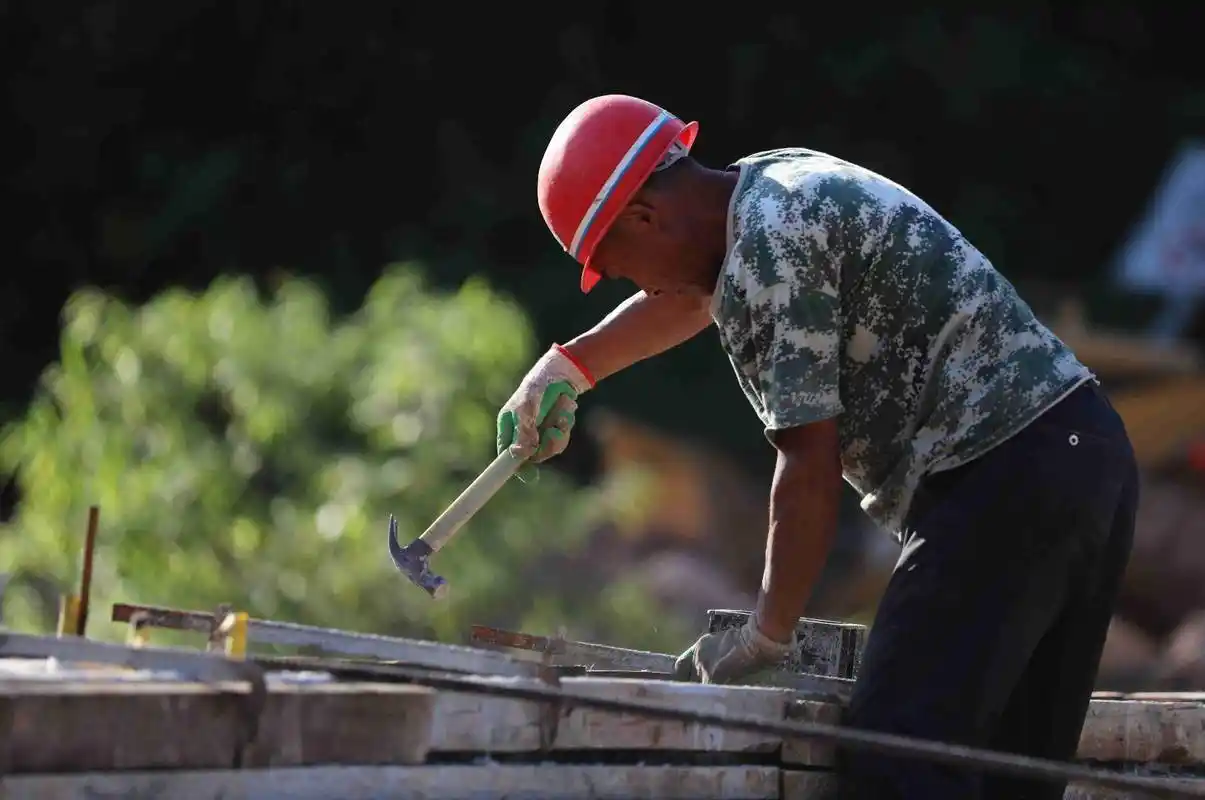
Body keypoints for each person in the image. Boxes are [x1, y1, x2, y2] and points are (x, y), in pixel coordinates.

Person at [496, 93, 1139, 799]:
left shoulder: (769, 248)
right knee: (1005, 776)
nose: (627, 283)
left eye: (614, 264)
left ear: (644, 216)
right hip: (1081, 452)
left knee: (894, 764)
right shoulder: (769, 187)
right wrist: (568, 366)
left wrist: (765, 634)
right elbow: (688, 293)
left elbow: (806, 463)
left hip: (1003, 476)